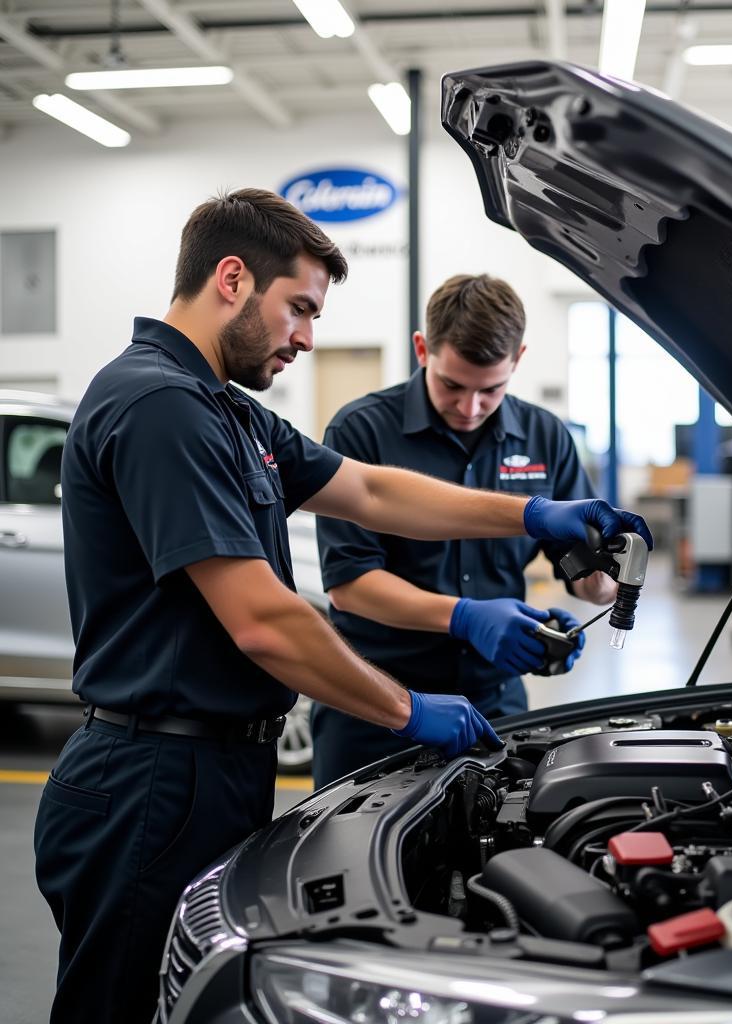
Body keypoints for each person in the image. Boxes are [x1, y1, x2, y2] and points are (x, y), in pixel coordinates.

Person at [32, 189, 651, 1024]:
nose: (307, 337)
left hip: (210, 769)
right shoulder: (161, 407)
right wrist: (404, 708)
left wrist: (533, 513)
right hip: (154, 774)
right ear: (230, 278)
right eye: (299, 309)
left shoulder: (226, 411)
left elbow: (367, 490)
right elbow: (264, 618)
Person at [312, 273, 628, 788]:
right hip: (378, 704)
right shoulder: (361, 430)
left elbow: (585, 577)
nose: (470, 407)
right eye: (452, 385)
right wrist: (464, 617)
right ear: (422, 349)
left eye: (491, 390)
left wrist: (601, 578)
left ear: (518, 360)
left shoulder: (545, 438)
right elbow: (350, 586)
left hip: (495, 708)